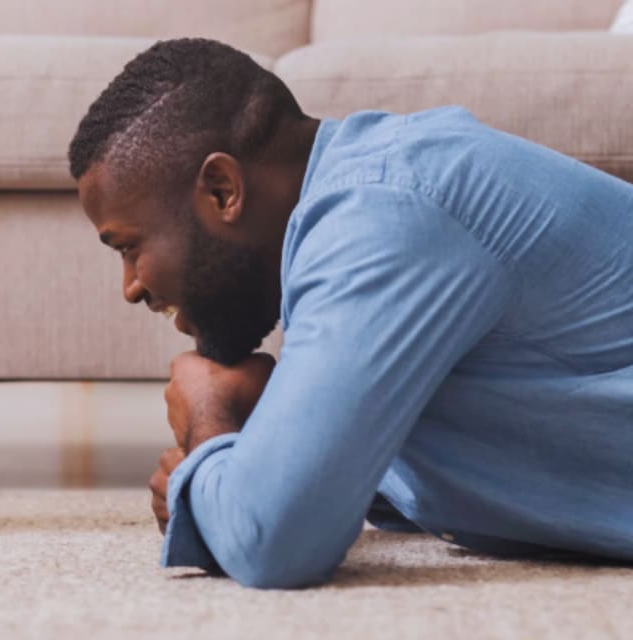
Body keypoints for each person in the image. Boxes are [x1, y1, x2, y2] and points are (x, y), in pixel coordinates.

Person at [68, 38, 633, 589]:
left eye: (128, 247)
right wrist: (267, 438)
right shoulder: (376, 195)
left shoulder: (381, 212)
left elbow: (275, 541)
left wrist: (210, 419)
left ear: (221, 191)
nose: (132, 286)